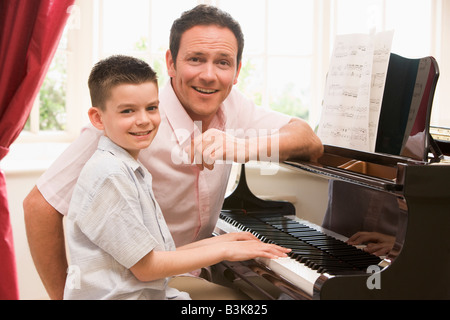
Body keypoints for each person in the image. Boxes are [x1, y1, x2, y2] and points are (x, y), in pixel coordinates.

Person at [24, 5, 323, 300]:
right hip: (144, 284)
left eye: (222, 62)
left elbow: (309, 140)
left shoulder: (234, 105)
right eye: (195, 59)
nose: (209, 75)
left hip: (181, 271)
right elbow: (39, 205)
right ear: (171, 63)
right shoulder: (129, 125)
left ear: (236, 71)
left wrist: (242, 147)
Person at [63, 55, 290, 300]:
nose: (143, 120)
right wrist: (225, 249)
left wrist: (222, 243)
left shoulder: (125, 167)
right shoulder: (110, 174)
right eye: (127, 111)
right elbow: (146, 268)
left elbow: (160, 254)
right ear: (98, 118)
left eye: (151, 108)